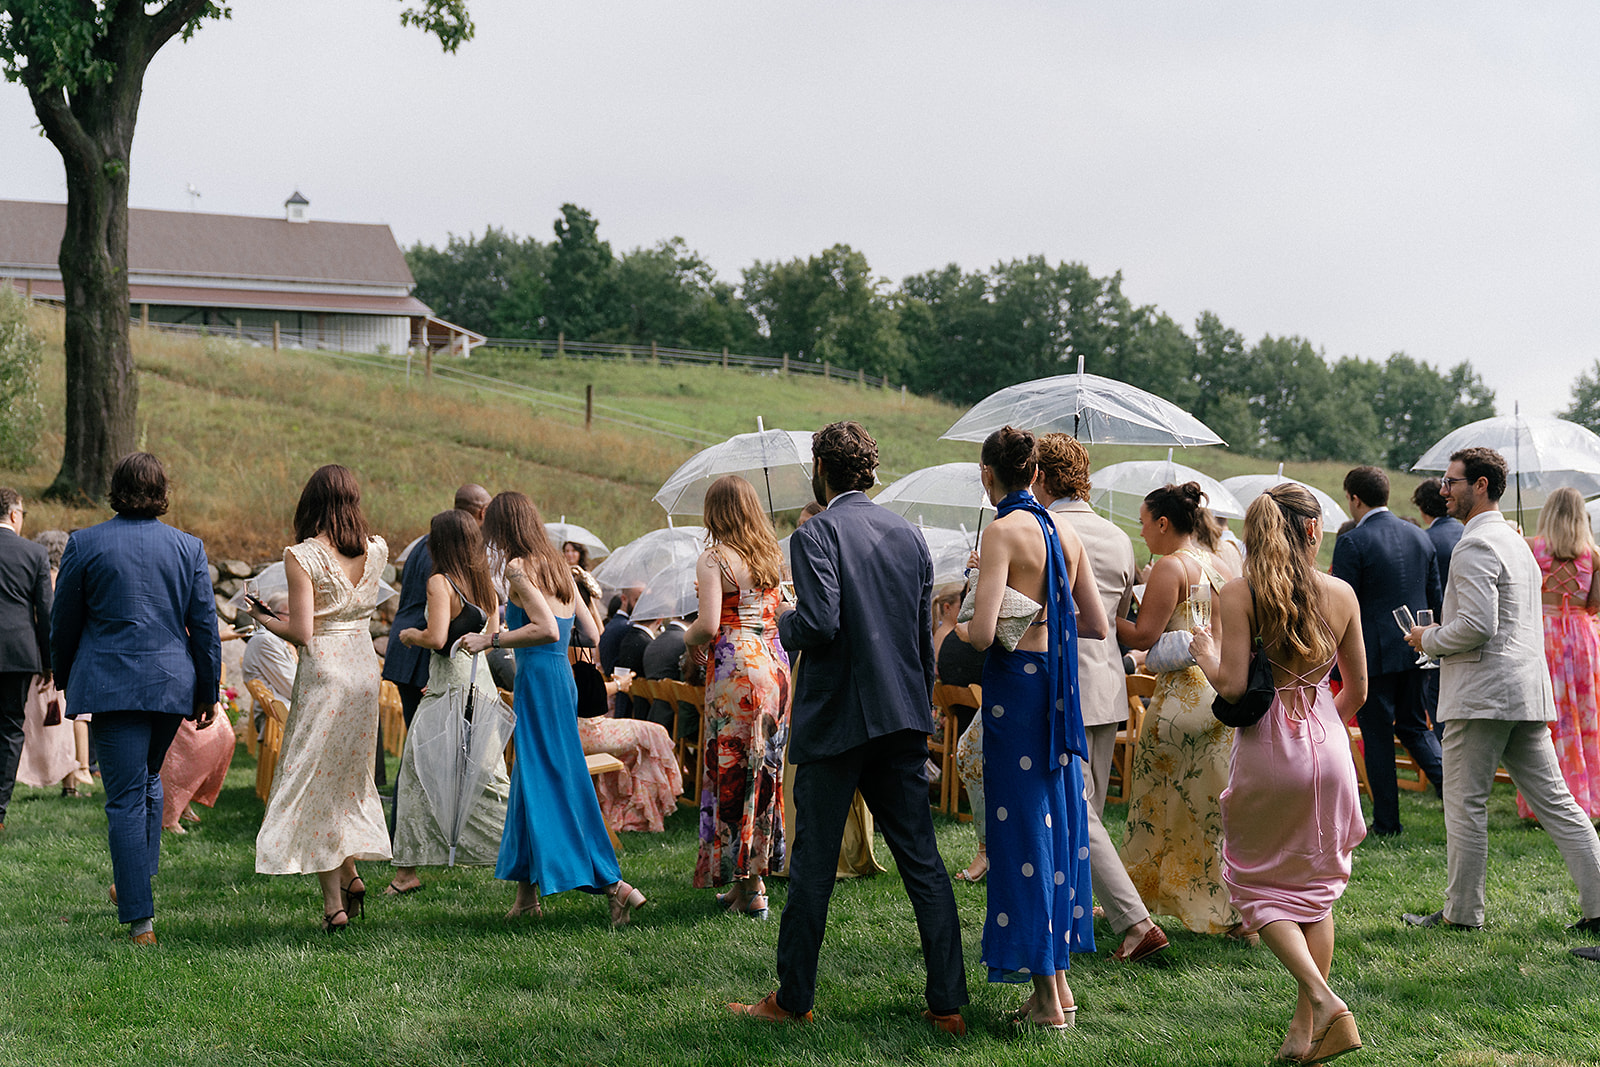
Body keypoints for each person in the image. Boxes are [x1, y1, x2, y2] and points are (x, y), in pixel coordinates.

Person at [728, 421, 967, 1034]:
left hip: (838, 719)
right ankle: (947, 1006)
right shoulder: (910, 536)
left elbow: (823, 621)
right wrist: (925, 708)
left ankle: (793, 998)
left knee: (812, 865)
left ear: (821, 469)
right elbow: (921, 640)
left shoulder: (816, 533)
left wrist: (782, 624)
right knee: (923, 863)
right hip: (901, 716)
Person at [1190, 483, 1369, 1066]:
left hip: (1268, 749)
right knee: (1316, 896)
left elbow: (1236, 687)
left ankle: (1323, 1005)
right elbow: (1358, 689)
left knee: (1254, 884)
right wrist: (1322, 730)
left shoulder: (1240, 593)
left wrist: (1203, 655)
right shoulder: (1341, 593)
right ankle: (1305, 1030)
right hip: (1329, 748)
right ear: (1313, 530)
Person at [1403, 448, 1600, 933]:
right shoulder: (1515, 541)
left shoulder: (1476, 545)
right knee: (1558, 803)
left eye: (1452, 482)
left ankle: (1461, 914)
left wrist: (1427, 638)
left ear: (1483, 485)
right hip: (1525, 691)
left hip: (1482, 693)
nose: (1444, 490)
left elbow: (1477, 625)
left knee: (1465, 804)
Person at [967, 426, 1109, 1030]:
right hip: (1056, 688)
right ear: (1037, 474)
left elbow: (979, 636)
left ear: (988, 474)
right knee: (1054, 825)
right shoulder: (1065, 531)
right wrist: (1046, 608)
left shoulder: (1002, 531)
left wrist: (984, 597)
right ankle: (1060, 986)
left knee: (1023, 834)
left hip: (1017, 693)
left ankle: (1049, 1000)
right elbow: (1097, 623)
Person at [50, 455, 222, 945]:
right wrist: (206, 691)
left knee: (126, 795)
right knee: (146, 780)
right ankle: (134, 880)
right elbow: (205, 628)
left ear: (116, 489)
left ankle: (140, 919)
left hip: (112, 684)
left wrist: (64, 674)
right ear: (162, 491)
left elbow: (64, 621)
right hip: (169, 685)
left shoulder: (84, 543)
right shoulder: (188, 547)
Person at [462, 491, 646, 926]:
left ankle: (614, 886)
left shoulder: (518, 568)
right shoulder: (559, 568)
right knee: (532, 778)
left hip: (540, 682)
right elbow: (593, 629)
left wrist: (491, 639)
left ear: (504, 529)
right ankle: (527, 896)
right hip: (559, 681)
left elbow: (544, 629)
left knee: (548, 780)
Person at [1034, 432, 1168, 963]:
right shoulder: (1116, 536)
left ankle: (1136, 922)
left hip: (1063, 680)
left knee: (1078, 807)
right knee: (1085, 807)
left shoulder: (1048, 529)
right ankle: (1081, 907)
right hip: (1109, 683)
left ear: (1041, 475)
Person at [250, 464, 392, 933]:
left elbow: (302, 631)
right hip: (363, 670)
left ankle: (333, 904)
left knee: (311, 780)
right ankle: (350, 875)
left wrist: (265, 618)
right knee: (346, 779)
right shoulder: (377, 549)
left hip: (326, 674)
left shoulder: (303, 555)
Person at [1116, 482, 1246, 938]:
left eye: (1144, 523)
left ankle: (1138, 902)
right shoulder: (1221, 563)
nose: (1142, 531)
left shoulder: (1171, 567)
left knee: (1155, 805)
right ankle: (1226, 908)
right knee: (1208, 811)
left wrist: (1097, 606)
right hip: (1216, 692)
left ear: (1164, 523)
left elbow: (1142, 637)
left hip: (1176, 699)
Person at [385, 509, 510, 894]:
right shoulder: (484, 584)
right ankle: (519, 845)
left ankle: (407, 873)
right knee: (486, 775)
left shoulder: (440, 582)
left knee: (417, 775)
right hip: (479, 684)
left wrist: (410, 635)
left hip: (449, 688)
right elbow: (489, 639)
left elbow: (437, 638)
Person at [684, 474, 792, 917]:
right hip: (774, 663)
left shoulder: (714, 559)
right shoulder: (770, 555)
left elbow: (709, 625)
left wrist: (687, 641)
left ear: (715, 512)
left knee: (732, 771)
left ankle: (753, 890)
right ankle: (747, 880)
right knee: (763, 772)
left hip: (736, 669)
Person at [1330, 466, 1445, 836]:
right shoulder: (1419, 536)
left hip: (1372, 656)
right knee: (1415, 727)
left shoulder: (1353, 542)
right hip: (1416, 648)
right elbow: (1436, 598)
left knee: (1378, 736)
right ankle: (1458, 797)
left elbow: (1341, 606)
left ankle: (1387, 823)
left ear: (1354, 498)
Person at [1514, 488, 1600, 819]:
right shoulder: (1592, 555)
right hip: (1581, 640)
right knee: (1586, 718)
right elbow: (1594, 604)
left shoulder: (1530, 546)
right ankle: (1587, 797)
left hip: (1541, 637)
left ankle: (1542, 802)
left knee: (1545, 720)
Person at [384, 485, 491, 732]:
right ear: (483, 512)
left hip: (418, 649)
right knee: (428, 747)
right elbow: (440, 620)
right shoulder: (452, 551)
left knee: (428, 746)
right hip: (423, 655)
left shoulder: (428, 541)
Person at [1, 487, 56, 826]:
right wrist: (49, 660)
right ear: (14, 514)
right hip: (17, 654)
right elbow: (46, 612)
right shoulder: (34, 553)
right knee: (9, 729)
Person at [1414, 477, 1464, 742]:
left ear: (1423, 509)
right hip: (1468, 635)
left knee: (1438, 705)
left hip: (1437, 634)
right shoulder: (1468, 533)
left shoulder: (1423, 540)